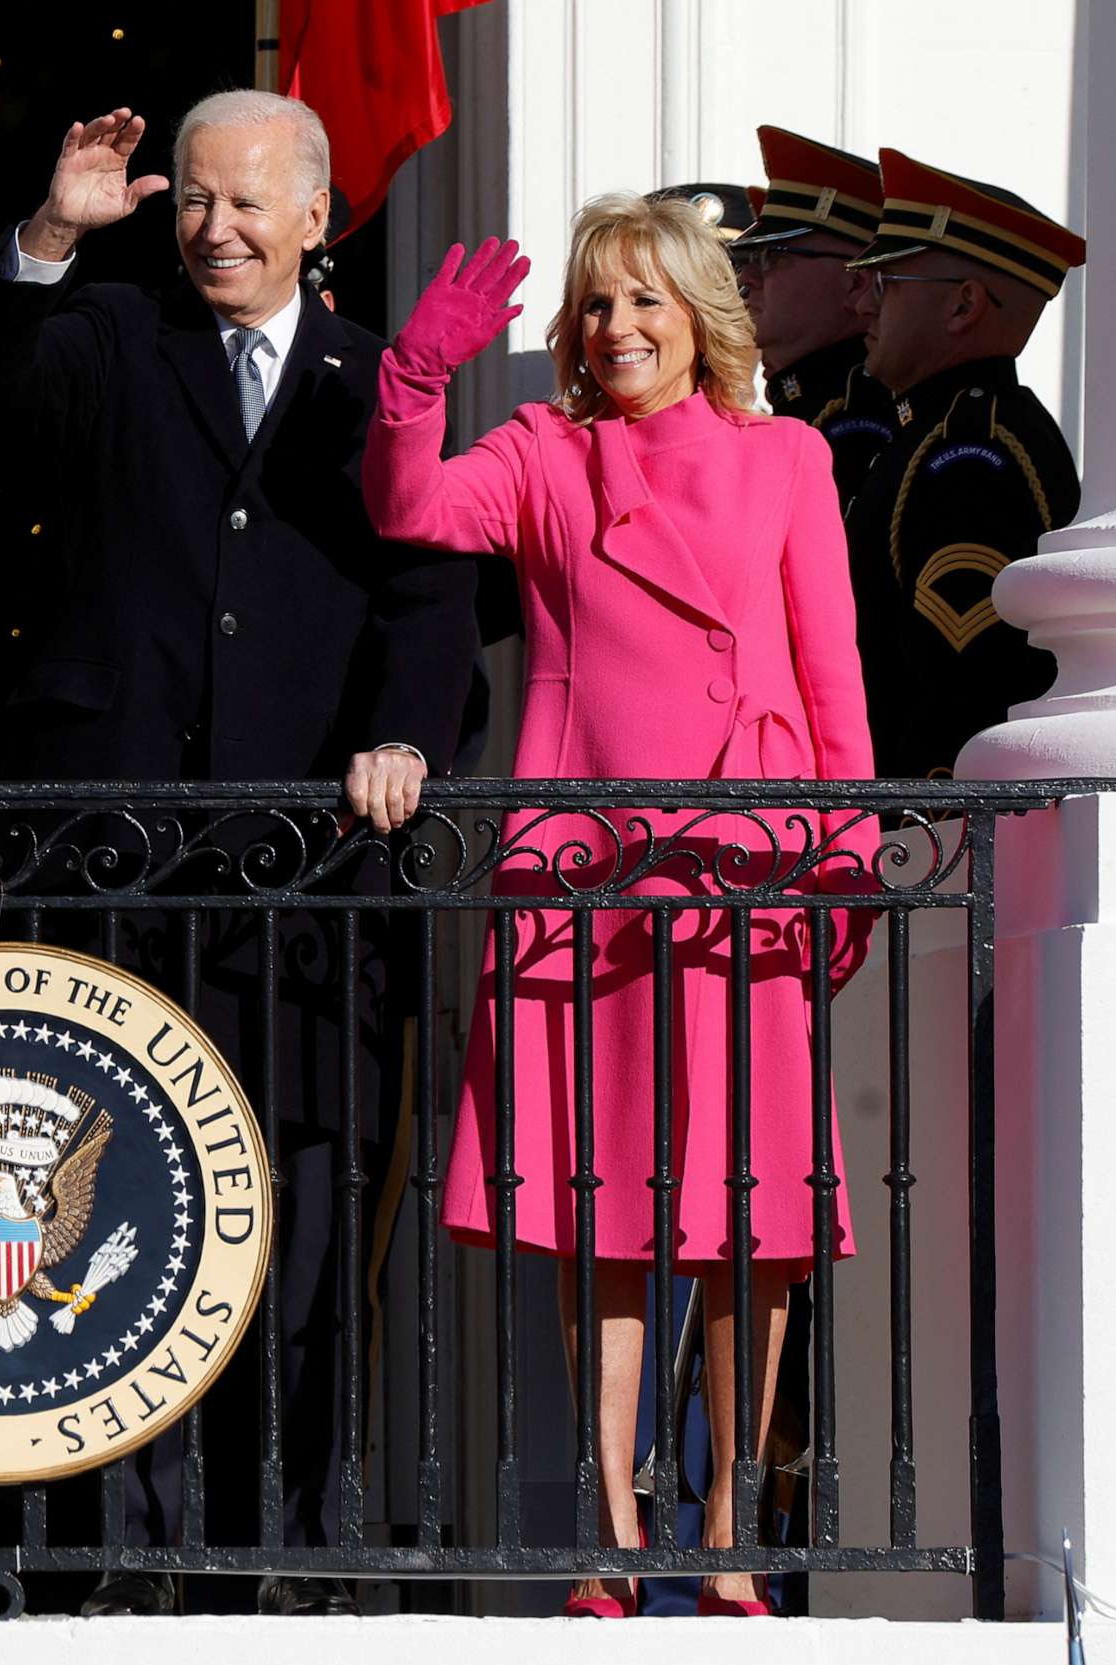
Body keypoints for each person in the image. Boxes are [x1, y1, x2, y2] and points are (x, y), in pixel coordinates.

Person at [0, 94, 485, 1618]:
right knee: (113, 1212)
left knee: (303, 1225)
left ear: (322, 219)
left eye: (250, 204)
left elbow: (430, 597)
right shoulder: (114, 341)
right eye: (194, 202)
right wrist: (53, 230)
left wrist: (405, 743)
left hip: (306, 878)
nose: (216, 230)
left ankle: (285, 1551)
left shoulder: (381, 383)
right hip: (115, 866)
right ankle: (126, 1551)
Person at [363, 199, 879, 1618]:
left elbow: (831, 668)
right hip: (589, 860)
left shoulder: (789, 458)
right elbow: (409, 507)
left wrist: (847, 852)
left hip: (748, 859)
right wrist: (416, 376)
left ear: (701, 315)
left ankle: (721, 1526)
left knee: (751, 1205)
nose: (618, 328)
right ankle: (604, 1527)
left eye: (646, 301)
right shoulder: (543, 455)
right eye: (596, 304)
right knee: (601, 1203)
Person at [843, 149, 1086, 778]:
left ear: (963, 306)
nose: (863, 307)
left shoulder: (969, 457)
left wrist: (926, 830)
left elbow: (964, 685)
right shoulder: (928, 437)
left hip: (939, 835)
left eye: (885, 283)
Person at [729, 127, 896, 515]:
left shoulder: (857, 425)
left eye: (773, 256)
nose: (747, 277)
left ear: (855, 282)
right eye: (748, 259)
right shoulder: (810, 411)